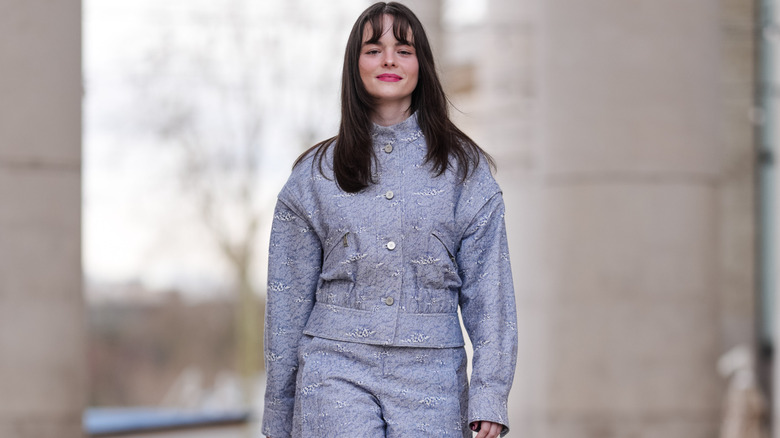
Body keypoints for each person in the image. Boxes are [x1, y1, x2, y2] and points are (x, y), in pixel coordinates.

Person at [262, 2, 517, 437]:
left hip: (433, 374)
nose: (388, 60)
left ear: (422, 65)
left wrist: (489, 394)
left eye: (403, 49)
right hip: (333, 369)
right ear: (354, 65)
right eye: (372, 49)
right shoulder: (314, 175)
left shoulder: (466, 171)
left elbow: (490, 292)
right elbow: (286, 304)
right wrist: (279, 413)